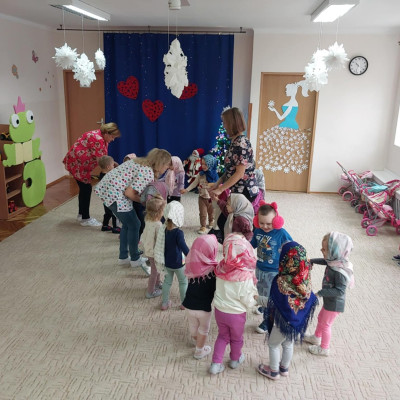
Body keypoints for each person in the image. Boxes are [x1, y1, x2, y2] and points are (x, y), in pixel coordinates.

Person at [94, 148, 172, 275]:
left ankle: (123, 257)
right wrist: (146, 203)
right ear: (161, 163)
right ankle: (135, 259)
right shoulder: (147, 171)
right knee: (135, 224)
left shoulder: (140, 161)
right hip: (115, 195)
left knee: (128, 224)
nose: (167, 168)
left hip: (109, 190)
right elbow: (129, 193)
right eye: (167, 165)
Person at [256, 241, 319, 380]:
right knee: (288, 344)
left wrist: (257, 299)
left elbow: (273, 303)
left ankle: (273, 371)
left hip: (283, 322)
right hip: (295, 322)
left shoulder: (281, 281)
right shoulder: (305, 279)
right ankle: (284, 368)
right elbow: (311, 299)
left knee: (273, 344)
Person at [209, 233, 258, 375]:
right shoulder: (245, 275)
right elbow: (247, 299)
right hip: (236, 314)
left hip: (220, 311)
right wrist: (256, 301)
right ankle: (235, 360)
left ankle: (215, 364)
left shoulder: (220, 268)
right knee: (236, 339)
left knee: (222, 336)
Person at [304, 231, 354, 357]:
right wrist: (312, 260)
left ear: (335, 252)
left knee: (326, 324)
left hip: (334, 303)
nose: (321, 250)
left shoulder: (340, 271)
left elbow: (340, 291)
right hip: (329, 301)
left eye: (324, 249)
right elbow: (324, 261)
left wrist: (320, 293)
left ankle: (324, 348)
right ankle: (316, 337)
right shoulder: (333, 261)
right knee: (321, 318)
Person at [63, 122, 121, 227]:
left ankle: (81, 215)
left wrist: (115, 164)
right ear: (107, 133)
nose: (113, 140)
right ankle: (85, 219)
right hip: (78, 165)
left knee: (84, 188)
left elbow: (105, 158)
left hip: (77, 163)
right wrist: (114, 169)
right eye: (112, 137)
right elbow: (102, 162)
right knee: (86, 189)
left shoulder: (100, 135)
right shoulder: (98, 139)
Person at [250, 202, 292, 334]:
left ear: (276, 220)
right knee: (260, 289)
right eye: (261, 223)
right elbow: (252, 245)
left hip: (274, 271)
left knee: (270, 297)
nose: (265, 226)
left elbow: (291, 248)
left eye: (268, 223)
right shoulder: (258, 231)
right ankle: (263, 306)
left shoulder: (282, 233)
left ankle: (268, 321)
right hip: (259, 268)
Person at [209, 107, 260, 205]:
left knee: (229, 214)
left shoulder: (241, 143)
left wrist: (220, 189)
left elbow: (239, 173)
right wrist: (217, 184)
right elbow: (230, 170)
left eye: (225, 123)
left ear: (232, 123)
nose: (224, 126)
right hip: (236, 189)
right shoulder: (234, 141)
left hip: (245, 190)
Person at [182, 235, 218, 359]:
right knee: (203, 330)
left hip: (188, 305)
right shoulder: (214, 270)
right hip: (204, 308)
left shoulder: (191, 266)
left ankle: (196, 339)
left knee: (193, 327)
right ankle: (199, 351)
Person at [154, 201, 189, 310]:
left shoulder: (163, 229)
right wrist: (191, 256)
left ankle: (165, 303)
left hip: (167, 262)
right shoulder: (178, 233)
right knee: (183, 282)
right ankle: (184, 303)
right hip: (179, 263)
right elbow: (184, 247)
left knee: (167, 282)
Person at [181, 154, 219, 234]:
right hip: (202, 197)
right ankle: (203, 226)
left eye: (206, 164)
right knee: (202, 213)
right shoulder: (200, 174)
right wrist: (186, 190)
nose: (203, 166)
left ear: (210, 165)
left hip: (211, 198)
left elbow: (218, 186)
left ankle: (211, 221)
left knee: (211, 212)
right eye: (202, 164)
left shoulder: (215, 176)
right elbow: (194, 183)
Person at [141, 194, 166, 299]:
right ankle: (150, 292)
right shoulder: (158, 225)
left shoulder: (148, 219)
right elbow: (160, 240)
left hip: (148, 248)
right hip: (154, 252)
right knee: (154, 272)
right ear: (159, 212)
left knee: (157, 268)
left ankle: (157, 283)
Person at [97, 155, 120, 234]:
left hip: (105, 199)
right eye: (113, 165)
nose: (114, 166)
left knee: (107, 213)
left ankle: (105, 225)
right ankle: (116, 227)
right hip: (112, 199)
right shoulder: (109, 176)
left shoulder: (101, 174)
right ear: (108, 167)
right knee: (115, 213)